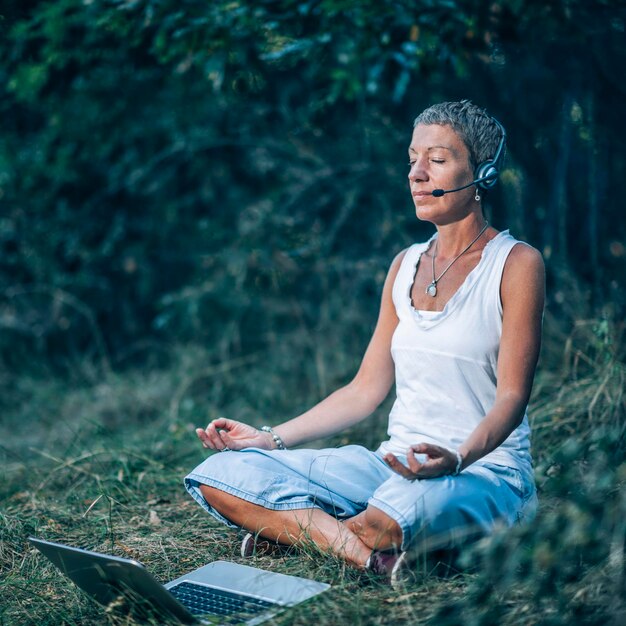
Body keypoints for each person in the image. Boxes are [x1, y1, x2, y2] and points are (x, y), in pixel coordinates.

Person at [184, 100, 544, 587]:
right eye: (412, 159)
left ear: (481, 174)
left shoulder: (517, 263)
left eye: (436, 160)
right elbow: (364, 390)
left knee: (393, 514)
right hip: (389, 465)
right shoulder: (406, 264)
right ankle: (369, 557)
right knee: (221, 474)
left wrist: (457, 459)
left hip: (484, 472)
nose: (416, 174)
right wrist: (270, 438)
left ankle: (300, 535)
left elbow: (511, 397)